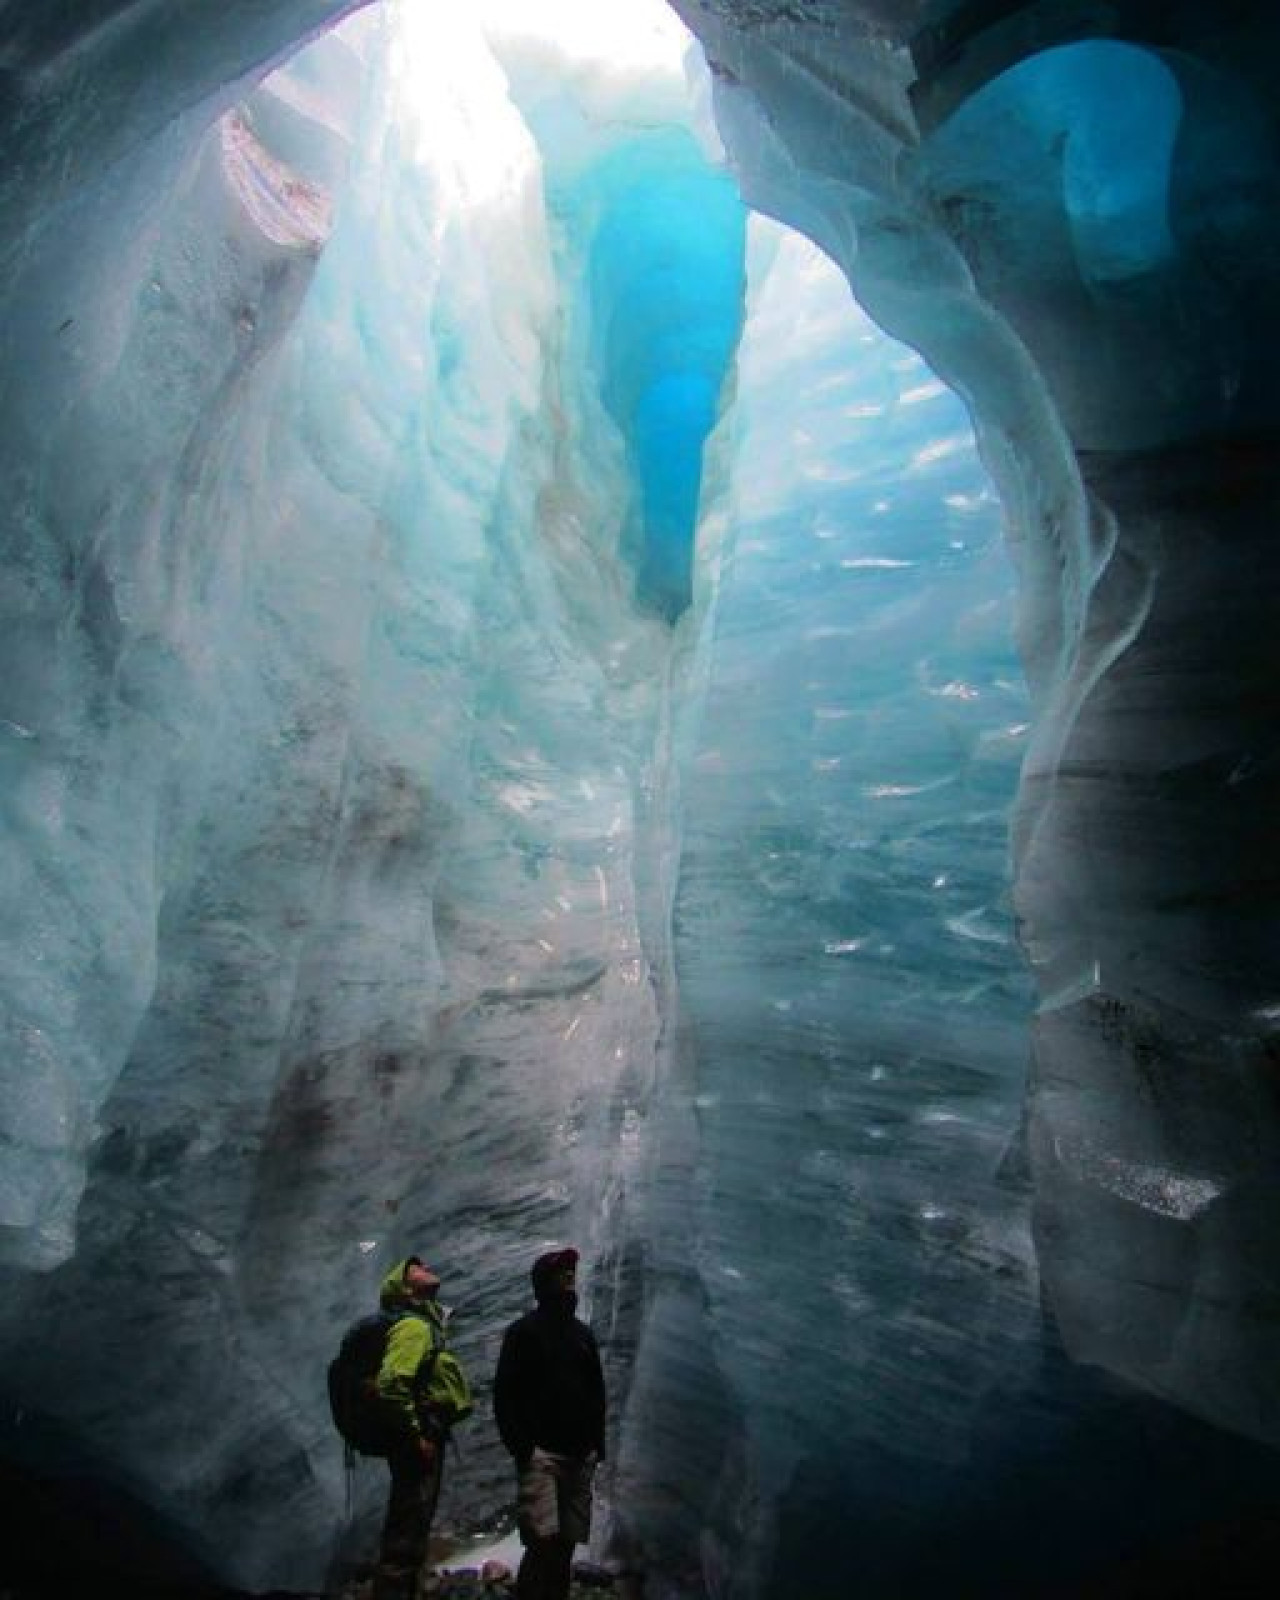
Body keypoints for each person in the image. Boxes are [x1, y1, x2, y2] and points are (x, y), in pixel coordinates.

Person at [493, 1247, 607, 1600]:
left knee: (566, 1542)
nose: (570, 1275)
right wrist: (523, 1448)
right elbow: (505, 1395)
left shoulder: (582, 1334)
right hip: (542, 1456)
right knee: (543, 1542)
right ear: (544, 1282)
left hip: (578, 1455)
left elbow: (595, 1391)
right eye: (562, 1271)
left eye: (572, 1269)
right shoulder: (523, 1333)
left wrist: (596, 1446)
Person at [372, 1256, 473, 1600]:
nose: (424, 1266)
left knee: (412, 1527)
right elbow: (392, 1383)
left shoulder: (423, 1325)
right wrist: (416, 1435)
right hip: (418, 1440)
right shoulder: (414, 1328)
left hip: (423, 1435)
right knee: (406, 1533)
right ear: (404, 1288)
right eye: (413, 1268)